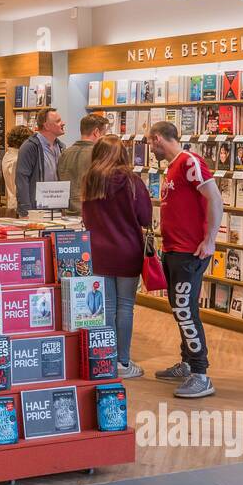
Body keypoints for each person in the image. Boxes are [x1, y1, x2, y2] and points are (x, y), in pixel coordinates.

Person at [147, 121, 223, 399]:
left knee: (185, 309)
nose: (149, 147)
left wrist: (210, 239)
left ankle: (201, 374)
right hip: (174, 249)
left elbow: (214, 197)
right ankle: (188, 362)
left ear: (157, 139)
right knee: (180, 308)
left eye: (149, 141)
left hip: (189, 250)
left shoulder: (189, 161)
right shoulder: (174, 165)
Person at [81, 136, 151, 379]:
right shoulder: (133, 182)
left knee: (106, 308)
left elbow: (86, 217)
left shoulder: (90, 181)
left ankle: (106, 360)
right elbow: (145, 218)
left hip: (98, 251)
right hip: (128, 250)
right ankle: (123, 361)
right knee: (126, 307)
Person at [14, 107, 66, 216]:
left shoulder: (61, 147)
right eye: (58, 121)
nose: (63, 123)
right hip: (36, 212)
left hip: (57, 209)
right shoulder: (30, 147)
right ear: (46, 125)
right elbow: (22, 179)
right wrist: (25, 211)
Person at [58, 114, 109, 214]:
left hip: (67, 212)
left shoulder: (64, 153)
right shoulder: (99, 154)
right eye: (104, 134)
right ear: (96, 132)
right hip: (91, 213)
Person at [1, 124, 32, 216]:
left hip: (13, 203)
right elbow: (18, 187)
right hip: (19, 206)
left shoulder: (8, 155)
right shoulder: (17, 160)